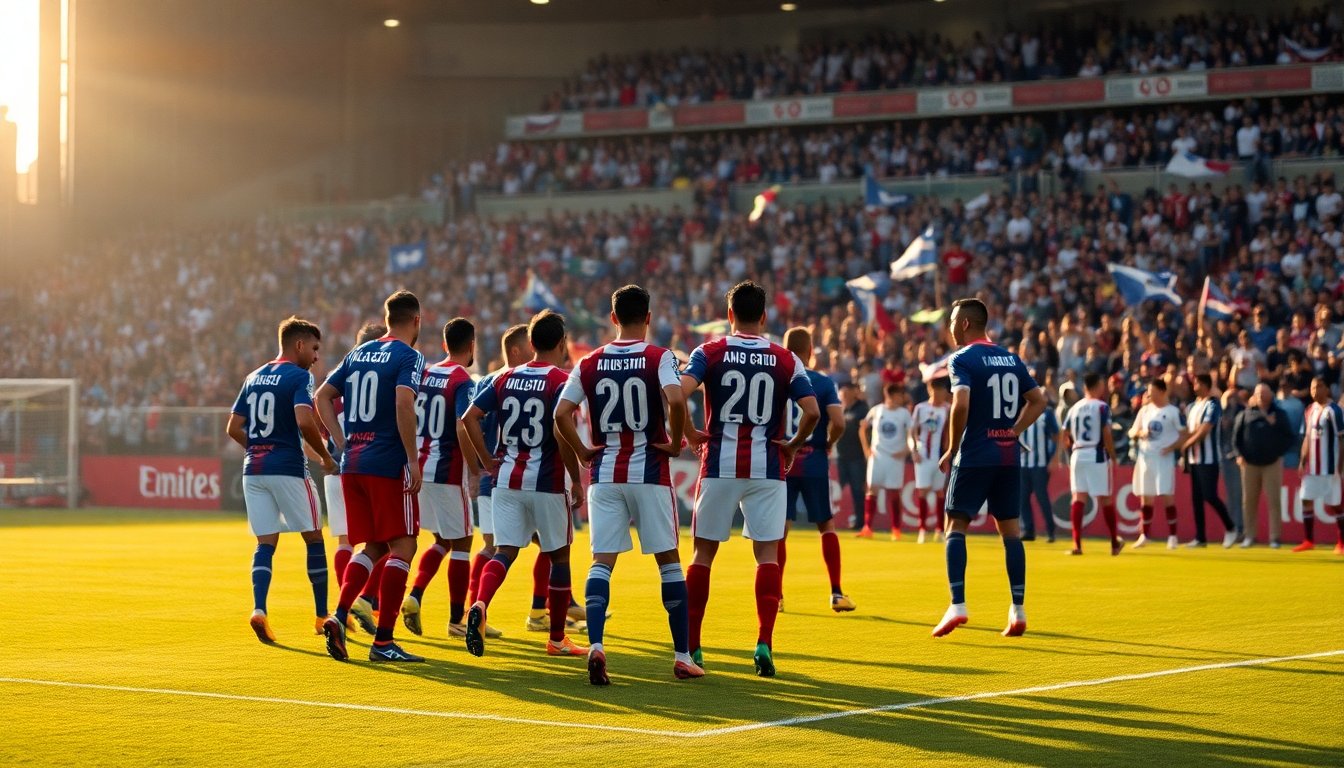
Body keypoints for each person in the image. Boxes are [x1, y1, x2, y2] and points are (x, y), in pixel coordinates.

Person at [553, 284, 704, 685]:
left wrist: (583, 452)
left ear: (613, 317)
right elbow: (676, 400)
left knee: (601, 562)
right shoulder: (659, 357)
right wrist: (675, 442)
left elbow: (561, 413)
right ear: (648, 318)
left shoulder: (589, 361)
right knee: (668, 562)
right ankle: (682, 657)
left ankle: (597, 645)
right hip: (649, 472)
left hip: (605, 474)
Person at [679, 280, 819, 677]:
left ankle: (693, 647)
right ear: (764, 316)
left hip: (719, 465)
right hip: (767, 468)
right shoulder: (785, 358)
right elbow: (812, 412)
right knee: (767, 555)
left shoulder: (709, 351)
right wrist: (792, 445)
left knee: (702, 555)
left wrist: (689, 433)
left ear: (729, 315)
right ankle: (764, 642)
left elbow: (678, 392)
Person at [459, 310, 587, 658]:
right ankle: (557, 639)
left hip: (506, 480)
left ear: (531, 342)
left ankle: (480, 604)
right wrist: (576, 479)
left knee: (504, 552)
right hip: (546, 481)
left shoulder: (505, 378)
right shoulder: (561, 381)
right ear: (562, 343)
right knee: (559, 555)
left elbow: (469, 418)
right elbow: (561, 432)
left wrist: (486, 459)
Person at [315, 290, 426, 663]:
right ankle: (383, 642)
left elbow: (322, 396)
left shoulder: (358, 353)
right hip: (387, 464)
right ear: (416, 320)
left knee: (374, 546)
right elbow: (403, 402)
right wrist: (412, 459)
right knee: (404, 546)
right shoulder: (408, 356)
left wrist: (341, 439)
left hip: (354, 464)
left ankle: (339, 615)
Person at [932, 298, 1047, 638]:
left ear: (965, 324)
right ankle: (1018, 609)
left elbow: (961, 404)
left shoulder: (962, 359)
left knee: (955, 525)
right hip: (1007, 456)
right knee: (1010, 532)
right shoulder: (1012, 358)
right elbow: (1038, 401)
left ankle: (957, 604)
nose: (950, 328)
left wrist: (952, 447)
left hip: (975, 454)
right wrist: (1014, 431)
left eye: (953, 322)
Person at [225, 317, 337, 643]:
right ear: (299, 345)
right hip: (288, 468)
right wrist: (326, 457)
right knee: (313, 537)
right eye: (314, 348)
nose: (316, 356)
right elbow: (305, 421)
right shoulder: (300, 376)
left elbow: (233, 427)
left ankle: (259, 609)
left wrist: (258, 449)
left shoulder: (254, 376)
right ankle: (321, 616)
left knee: (265, 544)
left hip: (254, 471)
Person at [399, 318, 477, 638]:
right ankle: (457, 620)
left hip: (420, 467)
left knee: (442, 540)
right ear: (471, 345)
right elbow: (462, 426)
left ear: (445, 344)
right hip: (447, 471)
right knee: (463, 543)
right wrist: (475, 470)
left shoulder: (425, 373)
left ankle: (415, 595)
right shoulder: (463, 380)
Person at [779, 326, 854, 612]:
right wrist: (829, 443)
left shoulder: (777, 378)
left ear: (786, 350)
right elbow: (839, 422)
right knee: (826, 525)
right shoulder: (822, 383)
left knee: (779, 529)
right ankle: (836, 593)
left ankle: (777, 596)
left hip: (782, 460)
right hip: (814, 460)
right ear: (810, 351)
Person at [463, 325, 530, 640]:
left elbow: (467, 426)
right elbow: (465, 425)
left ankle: (546, 608)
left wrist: (477, 467)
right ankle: (474, 610)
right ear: (515, 351)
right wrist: (482, 465)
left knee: (495, 547)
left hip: (498, 479)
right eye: (529, 347)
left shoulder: (486, 382)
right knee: (498, 548)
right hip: (515, 479)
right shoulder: (518, 382)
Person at [322, 321, 384, 634]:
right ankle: (364, 601)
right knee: (382, 539)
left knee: (345, 540)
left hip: (337, 468)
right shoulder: (381, 377)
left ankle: (344, 608)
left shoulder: (340, 378)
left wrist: (330, 450)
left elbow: (316, 422)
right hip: (370, 467)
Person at [1061, 373, 1122, 556]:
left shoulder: (1075, 408)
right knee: (1105, 498)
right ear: (1097, 386)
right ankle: (1114, 543)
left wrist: (1069, 448)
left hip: (1078, 453)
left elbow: (1064, 433)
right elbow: (1106, 432)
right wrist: (1113, 455)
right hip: (1096, 454)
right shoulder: (1102, 407)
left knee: (1078, 498)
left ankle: (1077, 544)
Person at [1233, 384, 1295, 548]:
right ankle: (1249, 535)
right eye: (1258, 393)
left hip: (1272, 463)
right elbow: (1236, 437)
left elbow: (1289, 437)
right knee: (1249, 501)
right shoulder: (1246, 414)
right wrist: (1239, 455)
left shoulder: (1279, 414)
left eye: (1264, 393)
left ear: (1271, 395)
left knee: (1274, 501)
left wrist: (1278, 452)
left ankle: (1275, 538)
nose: (1261, 396)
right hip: (1249, 464)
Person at [1181, 374, 1239, 548]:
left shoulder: (1213, 404)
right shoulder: (1192, 406)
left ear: (1206, 385)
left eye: (1197, 383)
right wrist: (1184, 448)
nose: (1194, 386)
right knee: (1197, 498)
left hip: (1209, 458)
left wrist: (1186, 444)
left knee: (1209, 495)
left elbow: (1204, 430)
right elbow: (1189, 431)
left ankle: (1231, 527)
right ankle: (1200, 537)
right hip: (1194, 458)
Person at [1129, 380, 1186, 549]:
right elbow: (1132, 431)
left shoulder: (1173, 412)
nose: (1149, 394)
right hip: (1145, 457)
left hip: (1163, 458)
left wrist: (1171, 447)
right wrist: (1140, 433)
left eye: (1152, 391)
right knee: (1146, 496)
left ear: (1162, 391)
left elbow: (1184, 434)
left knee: (1166, 494)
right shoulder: (1145, 411)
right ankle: (1144, 535)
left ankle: (1173, 536)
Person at [1294, 377, 1344, 554]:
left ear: (1327, 389)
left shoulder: (1334, 411)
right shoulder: (1310, 410)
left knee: (1335, 504)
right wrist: (1302, 461)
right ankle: (1308, 540)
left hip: (1330, 467)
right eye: (1312, 387)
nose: (1315, 391)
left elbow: (1342, 439)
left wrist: (1340, 465)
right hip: (1312, 468)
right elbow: (1307, 438)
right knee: (1306, 499)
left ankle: (1341, 543)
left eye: (1319, 387)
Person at [857, 383, 913, 539]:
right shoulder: (876, 410)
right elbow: (862, 428)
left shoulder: (904, 414)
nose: (902, 398)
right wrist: (866, 449)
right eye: (900, 395)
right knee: (872, 489)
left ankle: (896, 529)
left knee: (894, 493)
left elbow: (911, 434)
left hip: (895, 457)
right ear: (892, 395)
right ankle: (867, 527)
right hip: (878, 456)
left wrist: (907, 449)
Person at [910, 378, 951, 543]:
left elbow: (950, 432)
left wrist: (948, 453)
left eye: (942, 391)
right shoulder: (920, 408)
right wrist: (914, 450)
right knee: (923, 491)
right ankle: (922, 530)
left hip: (940, 456)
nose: (940, 394)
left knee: (940, 491)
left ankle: (939, 530)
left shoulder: (948, 409)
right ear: (930, 390)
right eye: (936, 391)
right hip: (923, 455)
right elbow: (912, 431)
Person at [1018, 395, 1058, 543]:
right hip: (1022, 463)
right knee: (1022, 498)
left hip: (1040, 463)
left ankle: (1051, 531)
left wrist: (1054, 457)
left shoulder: (1046, 413)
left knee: (1042, 497)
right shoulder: (1018, 411)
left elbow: (1056, 435)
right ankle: (1028, 530)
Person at [835, 380, 869, 530]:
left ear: (853, 393)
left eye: (846, 394)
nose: (844, 397)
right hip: (841, 456)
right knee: (837, 489)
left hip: (857, 457)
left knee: (857, 490)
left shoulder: (862, 409)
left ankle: (860, 521)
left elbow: (865, 430)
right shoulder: (839, 409)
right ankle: (829, 519)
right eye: (842, 395)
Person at [1219, 388, 1246, 539]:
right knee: (1230, 496)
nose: (1231, 401)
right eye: (1228, 397)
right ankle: (1232, 528)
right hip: (1222, 457)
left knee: (1237, 495)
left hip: (1235, 457)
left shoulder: (1242, 411)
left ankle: (1239, 528)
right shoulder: (1220, 412)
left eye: (1233, 397)